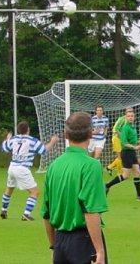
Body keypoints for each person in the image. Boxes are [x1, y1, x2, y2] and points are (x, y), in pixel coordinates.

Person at [42, 112, 108, 264]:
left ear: (65, 134)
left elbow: (46, 213)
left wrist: (54, 245)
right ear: (91, 133)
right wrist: (99, 250)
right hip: (84, 242)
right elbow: (90, 211)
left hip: (60, 241)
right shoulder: (91, 165)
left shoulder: (54, 166)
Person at [0, 121, 58, 221]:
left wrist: (7, 139)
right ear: (28, 129)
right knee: (35, 192)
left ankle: (3, 210)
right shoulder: (32, 141)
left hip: (12, 167)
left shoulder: (14, 139)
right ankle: (26, 214)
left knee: (9, 189)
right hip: (22, 168)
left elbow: (3, 148)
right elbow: (44, 150)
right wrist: (53, 141)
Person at [105, 111, 140, 201]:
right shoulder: (125, 127)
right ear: (126, 117)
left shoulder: (132, 127)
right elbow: (124, 143)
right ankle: (106, 186)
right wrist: (135, 147)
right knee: (126, 175)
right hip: (126, 153)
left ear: (134, 117)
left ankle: (139, 196)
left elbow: (130, 140)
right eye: (128, 116)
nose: (130, 117)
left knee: (137, 172)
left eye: (132, 116)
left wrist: (137, 143)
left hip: (132, 152)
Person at [106, 107, 134, 175]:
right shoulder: (121, 119)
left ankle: (110, 167)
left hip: (122, 140)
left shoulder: (130, 121)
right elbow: (115, 129)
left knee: (123, 156)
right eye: (128, 111)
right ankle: (120, 174)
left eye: (131, 111)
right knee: (120, 156)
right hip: (116, 138)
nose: (130, 112)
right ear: (125, 112)